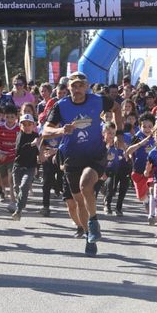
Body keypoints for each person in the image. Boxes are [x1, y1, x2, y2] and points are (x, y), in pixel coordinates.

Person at [44, 71, 123, 256]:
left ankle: (93, 221)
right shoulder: (60, 106)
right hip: (72, 157)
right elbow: (46, 130)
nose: (77, 89)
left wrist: (119, 133)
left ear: (86, 86)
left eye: (81, 85)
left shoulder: (98, 100)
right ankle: (89, 235)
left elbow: (117, 108)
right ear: (68, 87)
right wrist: (61, 130)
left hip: (95, 154)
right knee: (79, 202)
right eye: (74, 85)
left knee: (86, 184)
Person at [11, 114, 40, 221]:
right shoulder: (20, 135)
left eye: (29, 124)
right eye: (24, 124)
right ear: (20, 125)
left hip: (30, 166)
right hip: (18, 165)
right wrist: (31, 144)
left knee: (24, 186)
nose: (27, 127)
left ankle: (18, 210)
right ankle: (20, 202)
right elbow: (19, 150)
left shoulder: (36, 135)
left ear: (33, 125)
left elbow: (38, 150)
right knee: (16, 187)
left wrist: (40, 157)